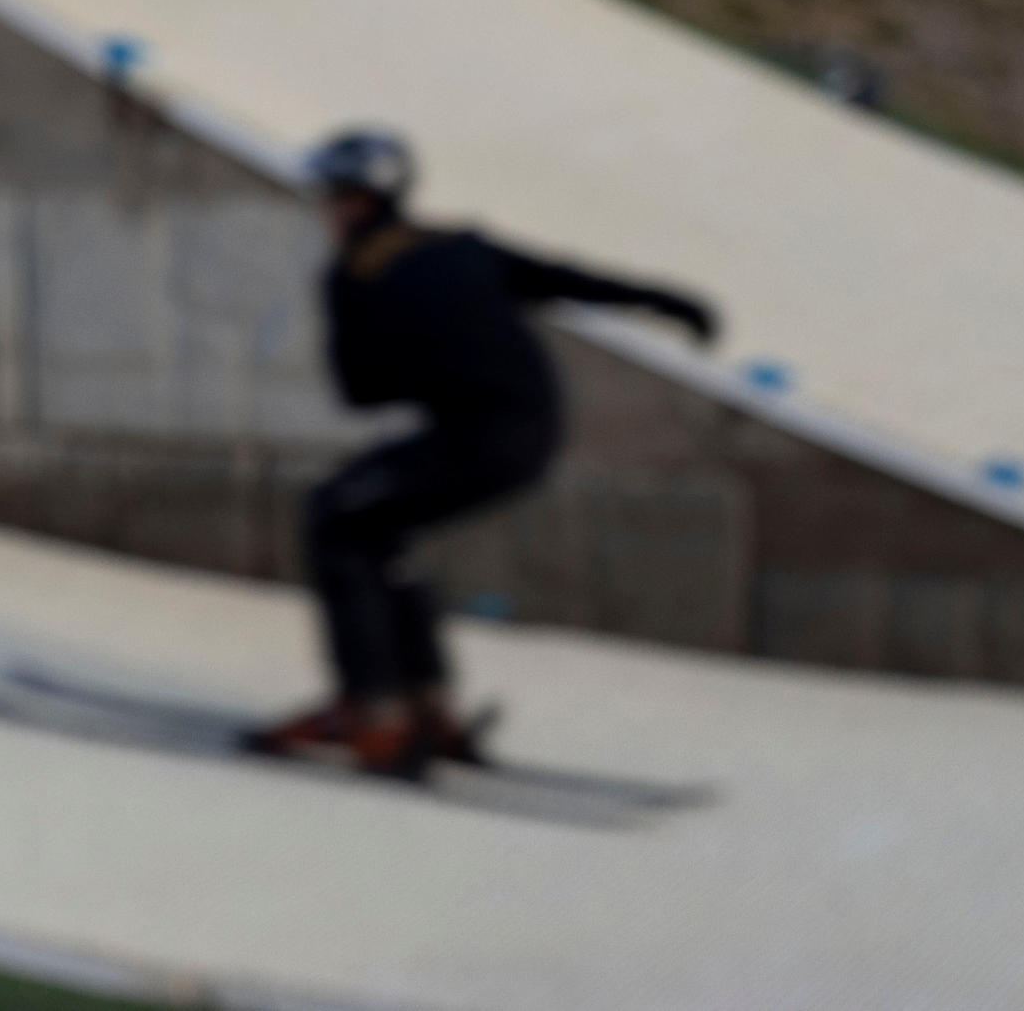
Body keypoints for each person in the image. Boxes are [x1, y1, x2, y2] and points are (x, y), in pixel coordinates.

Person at [259, 126, 718, 776]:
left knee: (335, 518)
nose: (325, 212)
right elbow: (566, 280)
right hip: (531, 431)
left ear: (359, 201)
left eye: (330, 198)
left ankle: (374, 710)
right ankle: (428, 707)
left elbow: (359, 391)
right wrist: (667, 302)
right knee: (377, 531)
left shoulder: (354, 273)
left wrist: (415, 359)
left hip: (472, 435)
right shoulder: (459, 245)